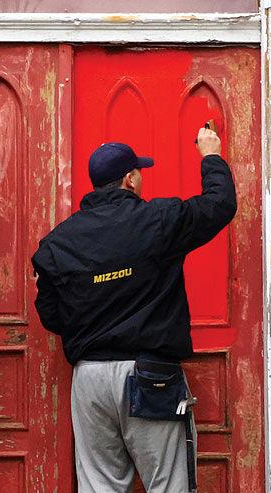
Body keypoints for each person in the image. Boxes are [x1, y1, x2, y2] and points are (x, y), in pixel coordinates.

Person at [31, 129, 236, 492]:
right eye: (139, 171)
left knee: (99, 487)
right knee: (168, 485)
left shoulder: (57, 243)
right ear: (130, 178)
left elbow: (51, 315)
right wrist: (211, 156)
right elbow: (219, 204)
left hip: (90, 378)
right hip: (150, 374)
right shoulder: (159, 220)